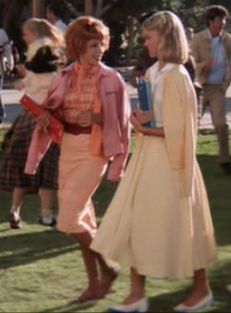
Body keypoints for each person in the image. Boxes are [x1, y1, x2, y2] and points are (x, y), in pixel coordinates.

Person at [91, 11, 217, 313]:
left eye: (148, 37)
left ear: (165, 37)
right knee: (138, 221)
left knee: (181, 224)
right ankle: (136, 295)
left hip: (172, 162)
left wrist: (146, 128)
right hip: (148, 158)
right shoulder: (152, 73)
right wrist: (138, 119)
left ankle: (201, 289)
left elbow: (183, 129)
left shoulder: (177, 76)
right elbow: (151, 116)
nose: (143, 42)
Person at [25, 16, 130, 304]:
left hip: (94, 150)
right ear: (78, 45)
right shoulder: (63, 76)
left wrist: (98, 117)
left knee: (68, 220)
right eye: (93, 45)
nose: (99, 50)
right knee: (83, 219)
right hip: (68, 147)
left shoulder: (112, 79)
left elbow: (122, 123)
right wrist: (48, 117)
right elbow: (54, 111)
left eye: (101, 44)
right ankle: (95, 284)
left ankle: (108, 267)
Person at [0, 18, 64, 229]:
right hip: (50, 116)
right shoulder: (53, 51)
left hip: (32, 115)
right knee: (48, 169)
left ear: (35, 33)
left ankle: (15, 211)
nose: (24, 37)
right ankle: (45, 214)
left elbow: (36, 78)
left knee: (22, 168)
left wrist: (23, 78)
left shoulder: (39, 48)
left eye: (26, 33)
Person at [191, 5, 231, 175]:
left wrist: (230, 72)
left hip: (218, 88)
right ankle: (188, 158)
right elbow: (191, 63)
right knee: (193, 124)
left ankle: (224, 160)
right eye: (219, 19)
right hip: (200, 87)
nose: (223, 23)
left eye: (224, 19)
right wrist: (205, 65)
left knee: (220, 124)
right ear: (211, 21)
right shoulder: (198, 39)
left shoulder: (228, 39)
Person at [0, 27, 14, 122]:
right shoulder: (2, 33)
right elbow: (8, 50)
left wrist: (9, 64)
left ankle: (1, 113)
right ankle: (1, 113)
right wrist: (10, 65)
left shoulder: (1, 33)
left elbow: (7, 50)